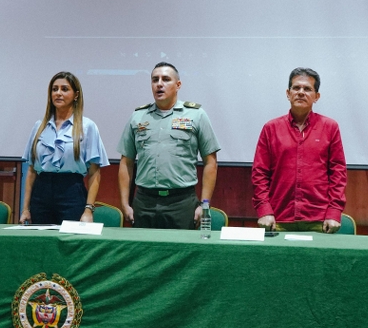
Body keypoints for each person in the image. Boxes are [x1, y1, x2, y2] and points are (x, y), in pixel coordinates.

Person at [117, 62, 221, 229]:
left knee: (181, 253)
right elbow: (126, 162)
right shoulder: (137, 116)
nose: (159, 84)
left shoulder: (196, 115)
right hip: (144, 202)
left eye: (166, 79)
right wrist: (124, 203)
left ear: (178, 85)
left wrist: (204, 204)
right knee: (143, 253)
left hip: (181, 202)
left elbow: (211, 162)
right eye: (154, 80)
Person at [252, 67, 347, 233]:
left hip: (320, 220)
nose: (301, 92)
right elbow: (259, 173)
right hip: (277, 219)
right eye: (296, 88)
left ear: (317, 97)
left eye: (307, 89)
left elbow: (338, 173)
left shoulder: (330, 127)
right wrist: (264, 210)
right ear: (288, 93)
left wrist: (334, 212)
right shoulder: (271, 128)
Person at [19, 72, 109, 225]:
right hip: (41, 191)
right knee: (42, 243)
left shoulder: (87, 127)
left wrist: (88, 209)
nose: (58, 93)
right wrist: (25, 208)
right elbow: (32, 171)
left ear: (76, 95)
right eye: (55, 89)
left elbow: (94, 172)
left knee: (69, 243)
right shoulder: (39, 126)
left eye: (64, 89)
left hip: (71, 191)